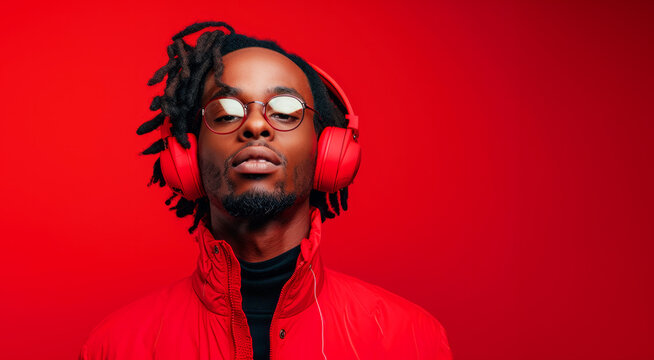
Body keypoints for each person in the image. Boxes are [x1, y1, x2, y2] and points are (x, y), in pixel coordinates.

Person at [79, 22, 452, 360]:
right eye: (226, 112)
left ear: (327, 151)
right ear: (188, 155)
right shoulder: (114, 347)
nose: (256, 126)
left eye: (285, 112)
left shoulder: (412, 340)